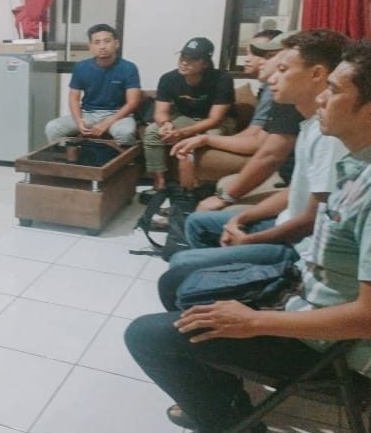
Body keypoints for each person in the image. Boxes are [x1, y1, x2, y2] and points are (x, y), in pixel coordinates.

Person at [125, 37, 371, 433]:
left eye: (334, 90)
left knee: (145, 336)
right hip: (303, 297)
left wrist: (254, 321)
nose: (322, 98)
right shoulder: (370, 160)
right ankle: (224, 401)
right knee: (176, 284)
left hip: (328, 347)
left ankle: (233, 423)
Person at [158, 29, 349, 310]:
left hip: (297, 245)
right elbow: (296, 190)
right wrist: (242, 216)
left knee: (179, 266)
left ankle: (218, 289)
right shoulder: (308, 122)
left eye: (281, 68)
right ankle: (215, 283)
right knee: (197, 224)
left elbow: (272, 161)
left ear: (317, 74)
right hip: (285, 220)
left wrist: (245, 231)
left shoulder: (328, 134)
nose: (271, 76)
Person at [169, 30, 290, 186]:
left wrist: (206, 139)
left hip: (285, 175)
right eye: (250, 53)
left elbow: (260, 144)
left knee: (195, 148)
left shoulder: (280, 93)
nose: (248, 59)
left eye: (265, 55)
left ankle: (189, 193)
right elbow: (256, 135)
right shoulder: (269, 88)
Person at [143, 37, 236, 191]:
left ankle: (203, 186)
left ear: (205, 63)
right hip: (187, 118)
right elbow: (160, 112)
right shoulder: (168, 79)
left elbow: (215, 119)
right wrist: (166, 124)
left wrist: (183, 133)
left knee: (212, 136)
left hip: (217, 121)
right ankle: (160, 182)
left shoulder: (222, 79)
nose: (184, 62)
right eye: (182, 57)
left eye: (192, 59)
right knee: (152, 131)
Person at [45, 23, 141, 145]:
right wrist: (79, 120)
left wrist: (107, 122)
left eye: (107, 41)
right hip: (88, 114)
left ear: (116, 44)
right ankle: (67, 156)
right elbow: (74, 99)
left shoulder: (129, 68)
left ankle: (122, 158)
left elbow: (133, 102)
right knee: (53, 128)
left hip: (118, 115)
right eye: (97, 42)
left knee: (125, 133)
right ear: (90, 47)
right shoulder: (81, 67)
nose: (102, 46)